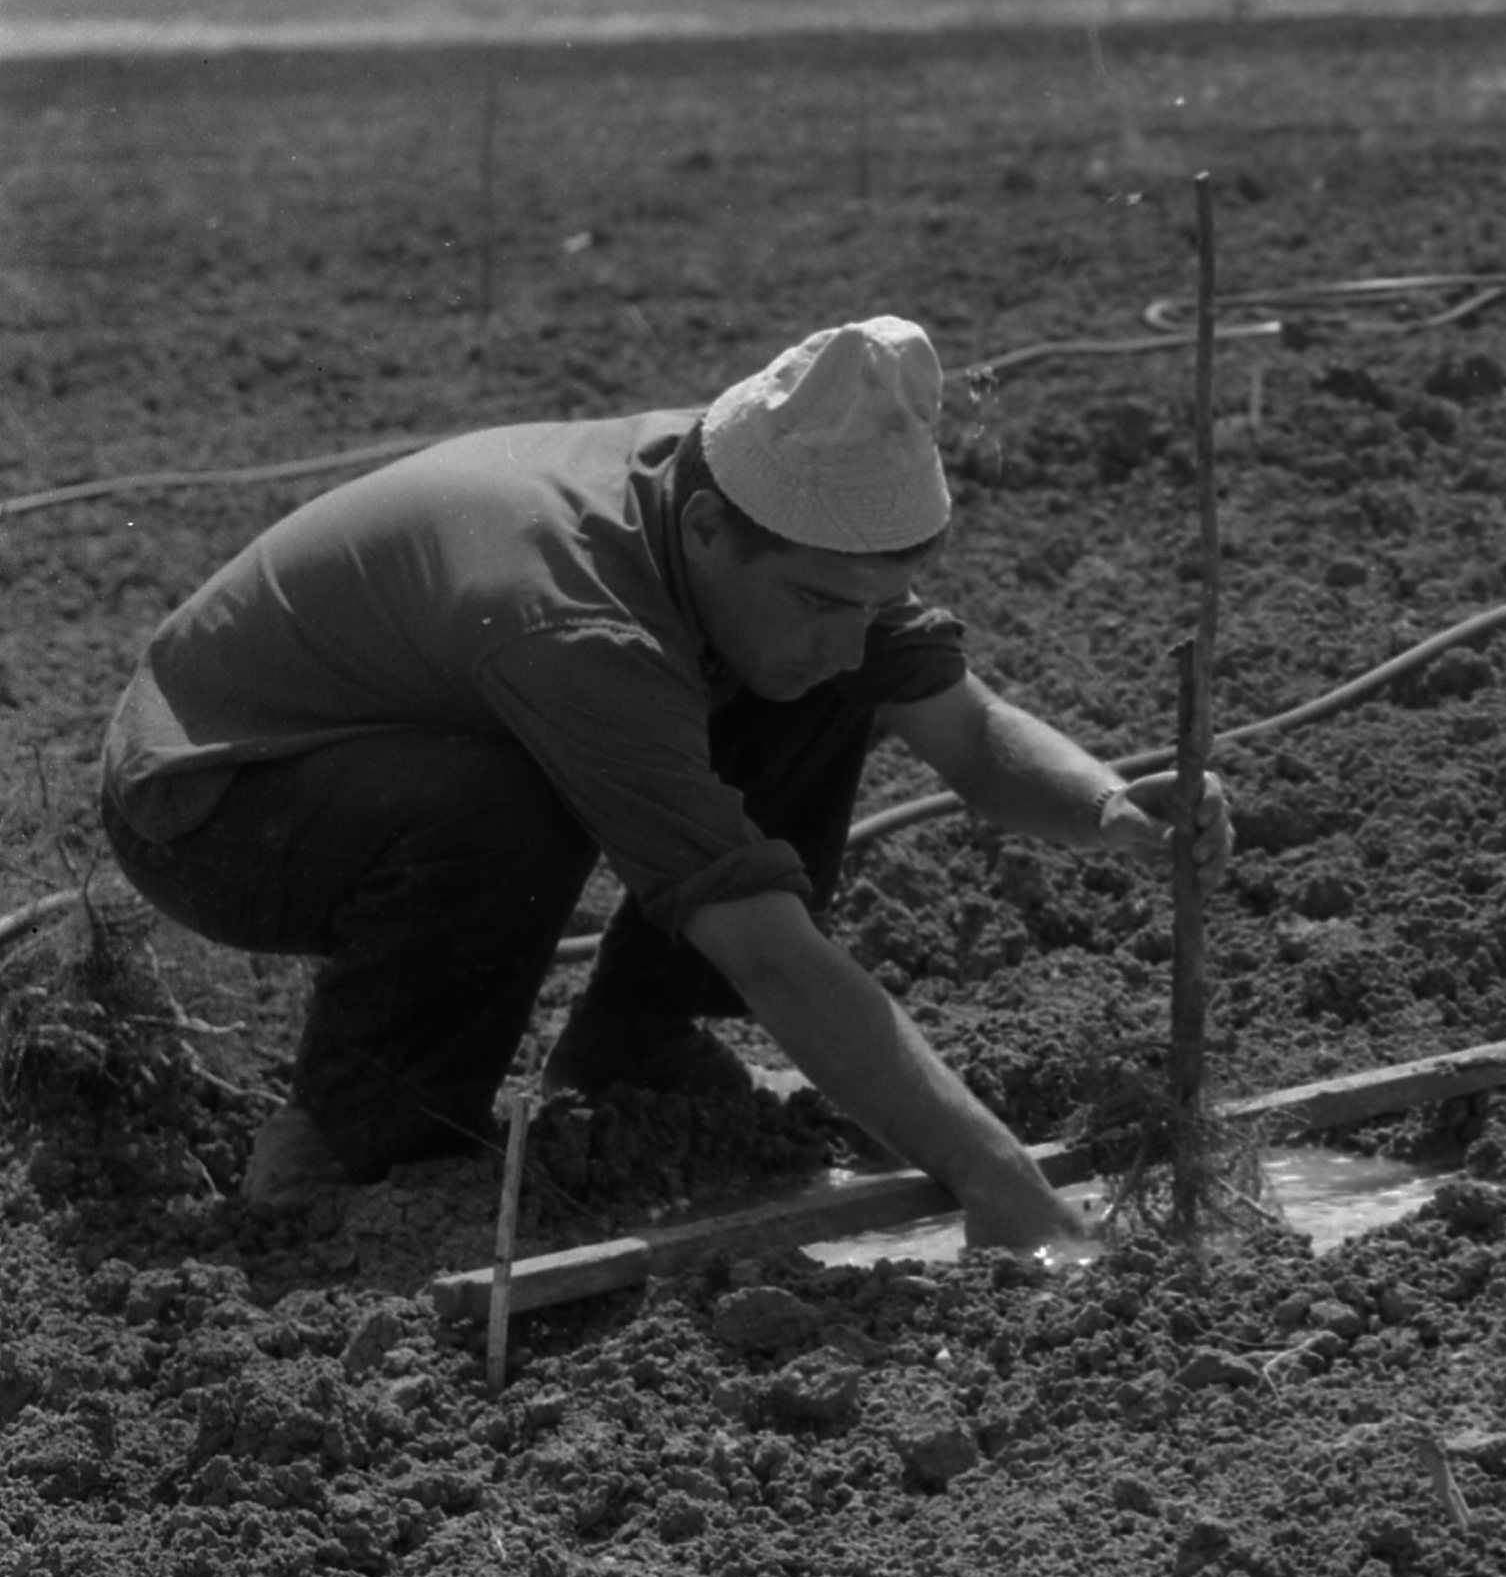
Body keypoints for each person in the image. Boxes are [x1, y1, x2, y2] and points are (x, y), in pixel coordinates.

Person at [94, 317, 1227, 1247]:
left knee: (814, 686)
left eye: (872, 609)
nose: (850, 638)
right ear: (704, 532)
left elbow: (970, 738)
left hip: (400, 733)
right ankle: (344, 1148)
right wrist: (1003, 1184)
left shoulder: (773, 519)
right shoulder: (586, 624)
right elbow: (772, 949)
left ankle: (638, 1044)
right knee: (501, 812)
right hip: (213, 795)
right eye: (824, 604)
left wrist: (1105, 804)